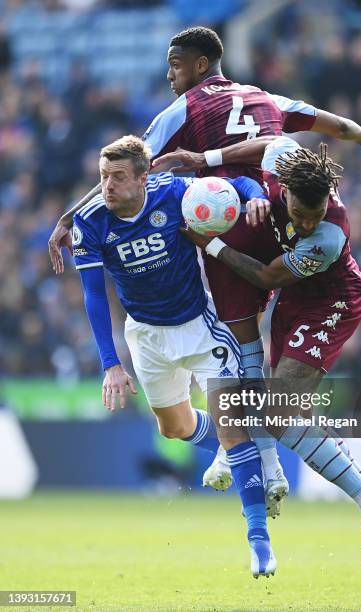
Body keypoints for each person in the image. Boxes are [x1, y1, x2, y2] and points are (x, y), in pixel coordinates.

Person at [48, 26, 361, 512]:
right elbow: (319, 120)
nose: (170, 75)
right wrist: (359, 132)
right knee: (252, 365)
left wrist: (70, 215)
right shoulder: (263, 96)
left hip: (229, 222)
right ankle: (248, 455)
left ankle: (265, 466)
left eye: (175, 66)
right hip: (277, 208)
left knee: (245, 346)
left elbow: (132, 167)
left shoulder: (185, 108)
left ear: (200, 65)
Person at [178, 135, 361, 579]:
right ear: (284, 189)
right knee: (278, 411)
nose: (307, 224)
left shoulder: (327, 235)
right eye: (301, 215)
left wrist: (208, 244)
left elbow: (267, 273)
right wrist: (209, 159)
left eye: (315, 215)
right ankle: (284, 476)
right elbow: (269, 140)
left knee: (276, 411)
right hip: (294, 301)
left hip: (331, 303)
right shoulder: (287, 163)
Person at [74, 134, 276, 577]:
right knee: (175, 428)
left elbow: (233, 184)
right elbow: (94, 296)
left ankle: (259, 541)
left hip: (200, 327)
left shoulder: (174, 192)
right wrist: (111, 363)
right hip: (146, 336)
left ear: (144, 178)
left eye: (118, 177)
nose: (107, 186)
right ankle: (230, 448)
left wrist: (258, 196)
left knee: (232, 425)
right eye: (103, 177)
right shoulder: (89, 223)